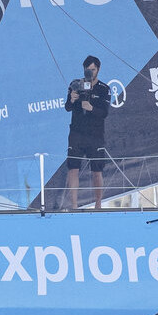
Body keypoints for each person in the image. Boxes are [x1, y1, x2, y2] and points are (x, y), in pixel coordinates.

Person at [63, 55, 114, 209]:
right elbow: (67, 107)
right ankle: (74, 205)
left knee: (97, 171)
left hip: (95, 135)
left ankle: (98, 205)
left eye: (93, 69)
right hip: (77, 133)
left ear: (98, 69)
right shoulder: (75, 84)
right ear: (84, 69)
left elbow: (104, 113)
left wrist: (91, 108)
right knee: (73, 168)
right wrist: (72, 99)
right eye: (88, 69)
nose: (90, 72)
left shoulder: (104, 89)